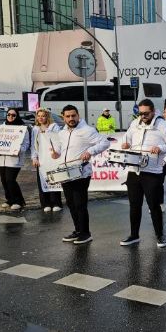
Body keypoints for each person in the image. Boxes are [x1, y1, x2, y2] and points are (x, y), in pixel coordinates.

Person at [50, 105, 110, 245]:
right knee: (70, 203)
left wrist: (90, 151)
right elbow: (60, 149)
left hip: (81, 173)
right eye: (68, 116)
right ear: (63, 117)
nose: (71, 118)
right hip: (65, 173)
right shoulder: (62, 132)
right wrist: (55, 153)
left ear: (78, 115)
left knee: (79, 204)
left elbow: (105, 142)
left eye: (73, 115)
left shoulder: (87, 130)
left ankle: (85, 233)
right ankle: (77, 230)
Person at [120, 99, 166, 248]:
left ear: (153, 111)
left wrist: (160, 148)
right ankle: (134, 235)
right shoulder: (135, 123)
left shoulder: (162, 124)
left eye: (146, 113)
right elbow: (128, 138)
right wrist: (126, 144)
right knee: (134, 205)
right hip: (134, 170)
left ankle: (160, 235)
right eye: (140, 113)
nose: (143, 116)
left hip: (152, 171)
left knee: (154, 206)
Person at [0, 108, 30, 210]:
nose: (10, 117)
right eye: (8, 114)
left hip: (15, 159)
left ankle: (18, 200)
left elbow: (26, 144)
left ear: (17, 116)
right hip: (2, 158)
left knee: (10, 180)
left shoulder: (22, 128)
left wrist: (18, 149)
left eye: (13, 115)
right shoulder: (1, 127)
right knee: (4, 180)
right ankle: (9, 199)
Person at [31, 108, 63, 212]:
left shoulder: (54, 127)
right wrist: (34, 158)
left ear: (47, 117)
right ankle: (45, 203)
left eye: (43, 116)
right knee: (42, 180)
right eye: (38, 116)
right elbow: (34, 145)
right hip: (41, 159)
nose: (40, 118)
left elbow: (58, 141)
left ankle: (56, 203)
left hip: (53, 158)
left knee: (54, 179)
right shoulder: (35, 129)